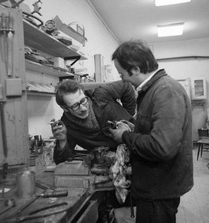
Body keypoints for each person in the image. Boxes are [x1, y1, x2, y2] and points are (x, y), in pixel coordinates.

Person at [110, 39, 194, 223]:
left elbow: (162, 147)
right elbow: (158, 131)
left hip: (159, 188)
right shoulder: (153, 90)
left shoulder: (165, 90)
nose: (122, 78)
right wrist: (134, 128)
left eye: (122, 73)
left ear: (136, 69)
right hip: (156, 185)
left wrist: (124, 136)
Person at [51, 79, 136, 223]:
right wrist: (62, 140)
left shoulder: (102, 94)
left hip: (135, 146)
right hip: (114, 166)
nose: (83, 108)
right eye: (75, 106)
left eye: (83, 100)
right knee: (124, 212)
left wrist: (129, 114)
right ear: (65, 109)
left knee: (148, 204)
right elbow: (63, 161)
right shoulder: (68, 126)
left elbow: (127, 86)